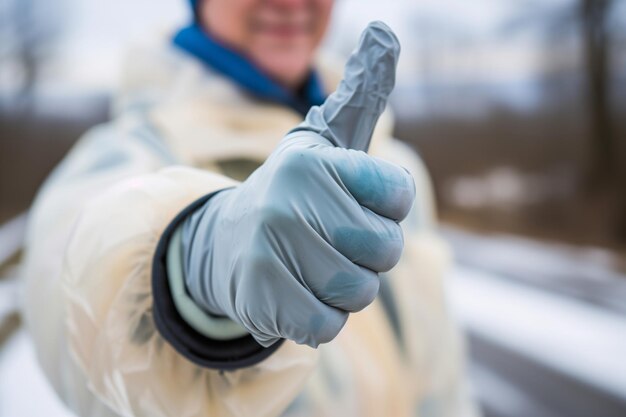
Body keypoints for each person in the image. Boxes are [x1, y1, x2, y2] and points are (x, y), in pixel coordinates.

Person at [20, 1, 479, 416]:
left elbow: (445, 386)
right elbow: (69, 302)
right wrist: (192, 271)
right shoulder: (134, 150)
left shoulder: (391, 162)